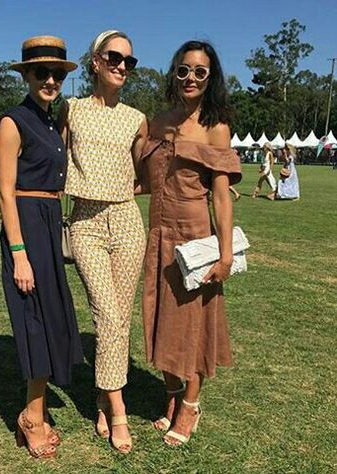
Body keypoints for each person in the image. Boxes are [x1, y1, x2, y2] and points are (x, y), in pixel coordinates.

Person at [136, 40, 241, 446]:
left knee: (193, 325)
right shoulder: (159, 121)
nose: (190, 78)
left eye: (200, 71)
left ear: (210, 77)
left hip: (196, 238)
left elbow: (220, 196)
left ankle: (191, 407)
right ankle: (173, 394)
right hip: (158, 235)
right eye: (183, 69)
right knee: (161, 318)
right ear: (174, 73)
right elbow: (147, 180)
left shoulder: (217, 127)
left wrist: (226, 253)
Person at [0, 36, 83, 459]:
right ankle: (32, 418)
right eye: (40, 72)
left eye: (57, 74)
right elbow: (6, 194)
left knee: (50, 317)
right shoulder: (13, 121)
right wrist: (20, 253)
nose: (49, 79)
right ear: (25, 75)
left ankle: (34, 410)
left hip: (48, 224)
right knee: (33, 320)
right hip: (25, 227)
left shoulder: (50, 122)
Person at [58, 30, 148, 453]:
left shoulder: (136, 118)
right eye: (114, 57)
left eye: (129, 61)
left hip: (128, 221)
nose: (122, 66)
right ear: (95, 61)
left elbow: (146, 175)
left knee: (119, 318)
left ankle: (102, 397)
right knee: (107, 315)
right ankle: (119, 413)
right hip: (86, 222)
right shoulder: (70, 110)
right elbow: (53, 163)